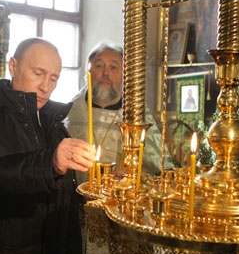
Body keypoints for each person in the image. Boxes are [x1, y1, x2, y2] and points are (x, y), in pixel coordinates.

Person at [0, 38, 96, 254]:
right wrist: (49, 163)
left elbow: (64, 206)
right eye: (38, 73)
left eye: (54, 78)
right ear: (13, 66)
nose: (46, 86)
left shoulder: (51, 122)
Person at [64, 41, 173, 185]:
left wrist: (134, 177)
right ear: (88, 71)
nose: (105, 73)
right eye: (98, 66)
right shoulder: (69, 112)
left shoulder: (137, 115)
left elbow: (162, 171)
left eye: (114, 67)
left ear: (124, 75)